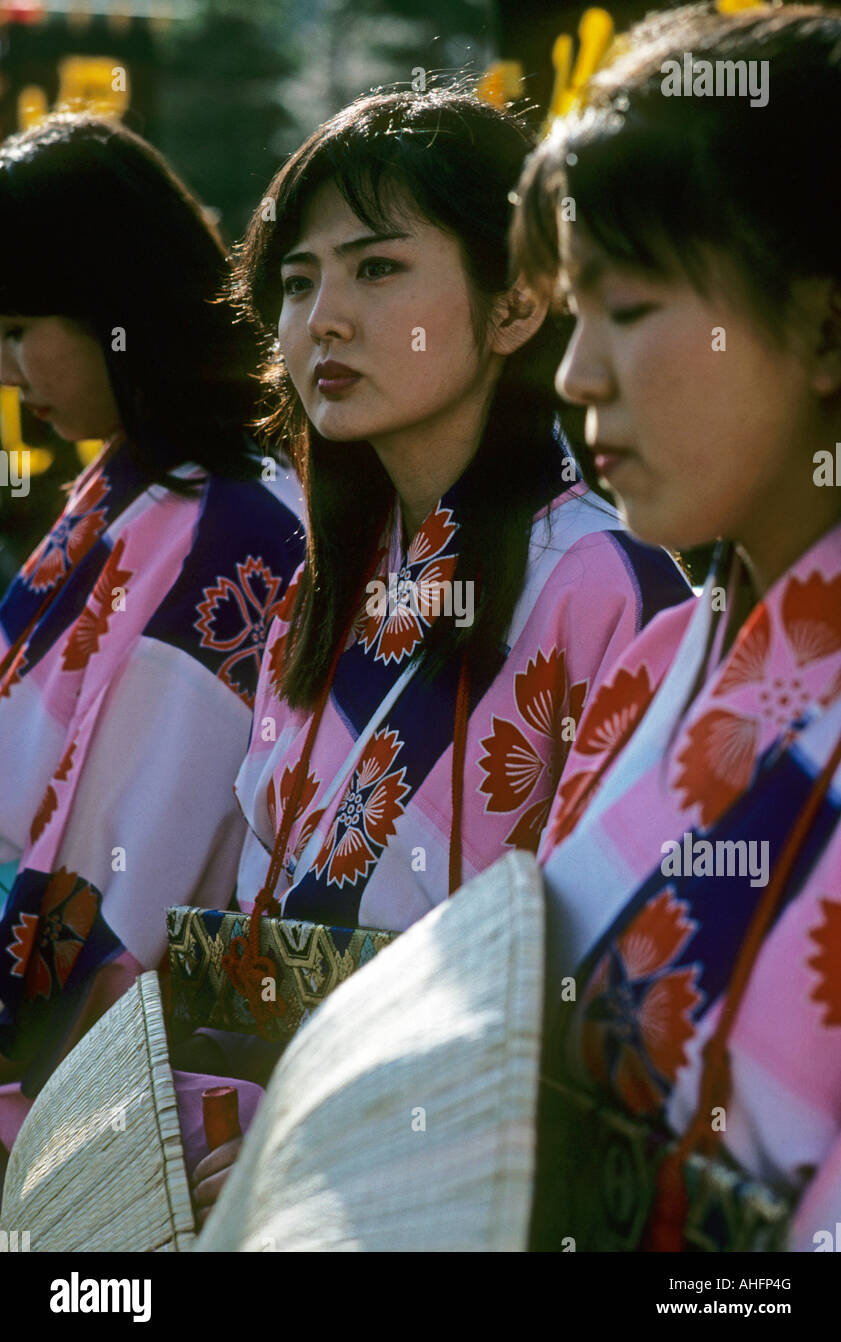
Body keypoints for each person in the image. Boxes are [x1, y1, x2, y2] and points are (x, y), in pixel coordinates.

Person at [186, 85, 691, 1220]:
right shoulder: (321, 597)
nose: (322, 318)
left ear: (516, 304)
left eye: (375, 269)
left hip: (448, 1191)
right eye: (298, 281)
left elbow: (596, 987)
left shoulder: (607, 590)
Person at [511, 2, 841, 1250]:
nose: (573, 374)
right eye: (572, 311)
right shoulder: (680, 654)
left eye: (630, 307)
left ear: (823, 320)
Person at [0, 114, 305, 1159]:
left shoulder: (236, 531)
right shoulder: (132, 475)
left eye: (16, 326)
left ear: (106, 307)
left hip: (98, 1083)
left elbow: (134, 878)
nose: (6, 370)